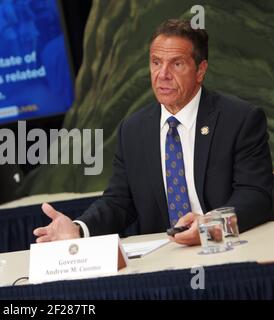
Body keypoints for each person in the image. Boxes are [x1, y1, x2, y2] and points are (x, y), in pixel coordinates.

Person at [33, 19, 273, 246]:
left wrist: (211, 225)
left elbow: (256, 194)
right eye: (156, 62)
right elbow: (119, 201)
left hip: (225, 246)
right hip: (165, 255)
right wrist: (79, 229)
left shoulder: (239, 119)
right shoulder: (134, 129)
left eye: (176, 64)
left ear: (200, 70)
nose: (163, 74)